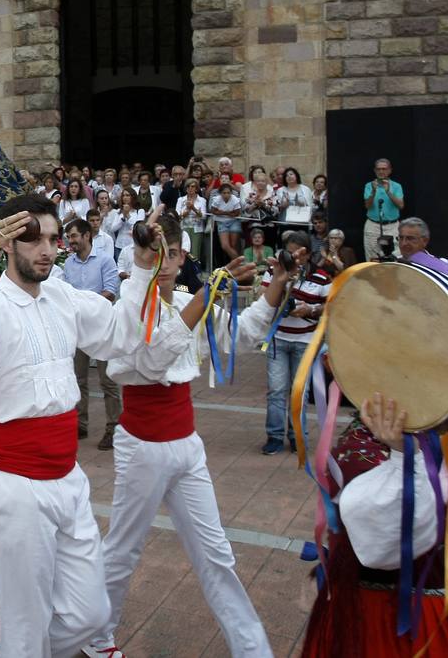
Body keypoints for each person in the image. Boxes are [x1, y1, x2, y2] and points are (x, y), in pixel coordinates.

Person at [83, 212, 295, 658]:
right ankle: (96, 637)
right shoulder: (128, 305)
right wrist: (204, 295)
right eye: (154, 253)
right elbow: (153, 358)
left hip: (186, 444)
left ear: (182, 257)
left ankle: (251, 648)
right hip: (141, 445)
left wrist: (278, 283)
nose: (164, 262)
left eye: (172, 253)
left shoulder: (186, 301)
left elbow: (244, 333)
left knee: (216, 553)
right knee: (123, 550)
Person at [0, 195, 124, 658]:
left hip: (67, 475)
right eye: (31, 237)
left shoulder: (62, 295)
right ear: (6, 244)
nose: (46, 248)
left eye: (53, 238)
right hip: (14, 481)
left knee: (91, 614)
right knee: (26, 622)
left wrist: (148, 272)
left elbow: (120, 331)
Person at [302, 394, 448, 657]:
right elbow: (388, 544)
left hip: (436, 609)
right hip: (398, 624)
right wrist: (405, 457)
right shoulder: (362, 453)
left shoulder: (420, 436)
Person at [260, 230, 331, 455]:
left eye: (297, 254)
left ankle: (297, 435)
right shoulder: (275, 271)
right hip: (278, 338)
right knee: (276, 389)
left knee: (300, 390)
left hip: (306, 340)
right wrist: (282, 285)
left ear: (308, 255)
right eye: (288, 253)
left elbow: (331, 307)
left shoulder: (321, 277)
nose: (292, 258)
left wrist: (310, 309)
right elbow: (263, 300)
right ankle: (275, 436)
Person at [63, 218, 123, 449]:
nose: (71, 241)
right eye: (69, 237)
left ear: (87, 236)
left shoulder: (105, 260)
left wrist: (87, 305)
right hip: (78, 328)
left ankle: (113, 427)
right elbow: (67, 292)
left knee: (108, 381)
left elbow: (110, 291)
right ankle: (80, 423)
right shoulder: (69, 263)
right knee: (78, 379)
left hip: (102, 328)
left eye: (74, 236)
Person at [363, 158, 405, 261]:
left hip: (392, 226)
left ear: (390, 170)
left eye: (384, 169)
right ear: (375, 171)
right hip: (373, 226)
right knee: (372, 259)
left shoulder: (396, 186)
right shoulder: (369, 185)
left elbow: (401, 205)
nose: (381, 171)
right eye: (379, 169)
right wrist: (373, 191)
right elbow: (367, 206)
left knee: (396, 257)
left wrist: (388, 192)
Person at [104, 189, 144, 262]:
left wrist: (128, 215)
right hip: (119, 246)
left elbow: (138, 228)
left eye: (127, 195)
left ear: (133, 197)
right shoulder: (119, 211)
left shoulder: (140, 211)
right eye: (123, 195)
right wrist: (123, 218)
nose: (125, 197)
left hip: (133, 245)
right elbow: (113, 229)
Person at [209, 182, 244, 262]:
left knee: (233, 245)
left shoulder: (235, 199)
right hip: (221, 222)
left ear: (231, 193)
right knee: (225, 246)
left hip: (234, 222)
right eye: (224, 193)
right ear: (220, 193)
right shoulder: (217, 199)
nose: (226, 195)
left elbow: (236, 213)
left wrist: (222, 212)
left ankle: (234, 265)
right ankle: (239, 262)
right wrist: (228, 213)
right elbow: (213, 210)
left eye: (228, 193)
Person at [176, 178, 207, 266]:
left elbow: (204, 216)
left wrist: (193, 208)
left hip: (197, 228)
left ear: (197, 188)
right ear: (186, 189)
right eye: (188, 186)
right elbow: (177, 215)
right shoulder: (181, 200)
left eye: (193, 186)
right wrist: (187, 211)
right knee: (184, 251)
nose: (190, 188)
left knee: (195, 253)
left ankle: (195, 272)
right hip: (184, 227)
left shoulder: (202, 200)